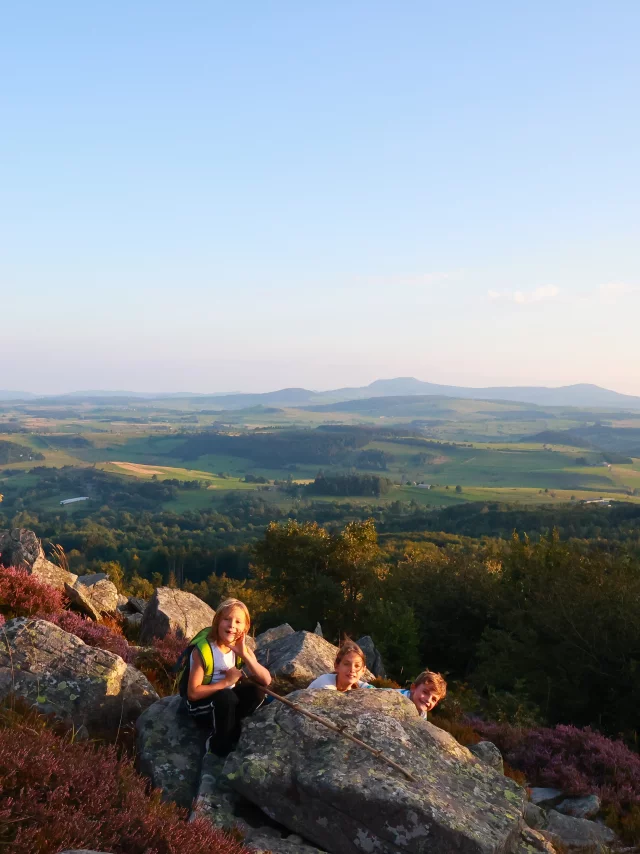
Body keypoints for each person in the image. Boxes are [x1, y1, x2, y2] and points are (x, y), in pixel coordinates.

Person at [184, 597, 271, 756]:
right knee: (226, 697)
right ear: (217, 622)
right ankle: (218, 745)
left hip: (226, 701)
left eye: (238, 622)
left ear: (246, 627)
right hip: (201, 706)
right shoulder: (204, 651)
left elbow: (266, 680)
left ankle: (232, 726)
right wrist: (226, 682)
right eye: (227, 619)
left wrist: (244, 654)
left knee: (256, 691)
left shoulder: (240, 648)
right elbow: (193, 693)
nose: (232, 626)